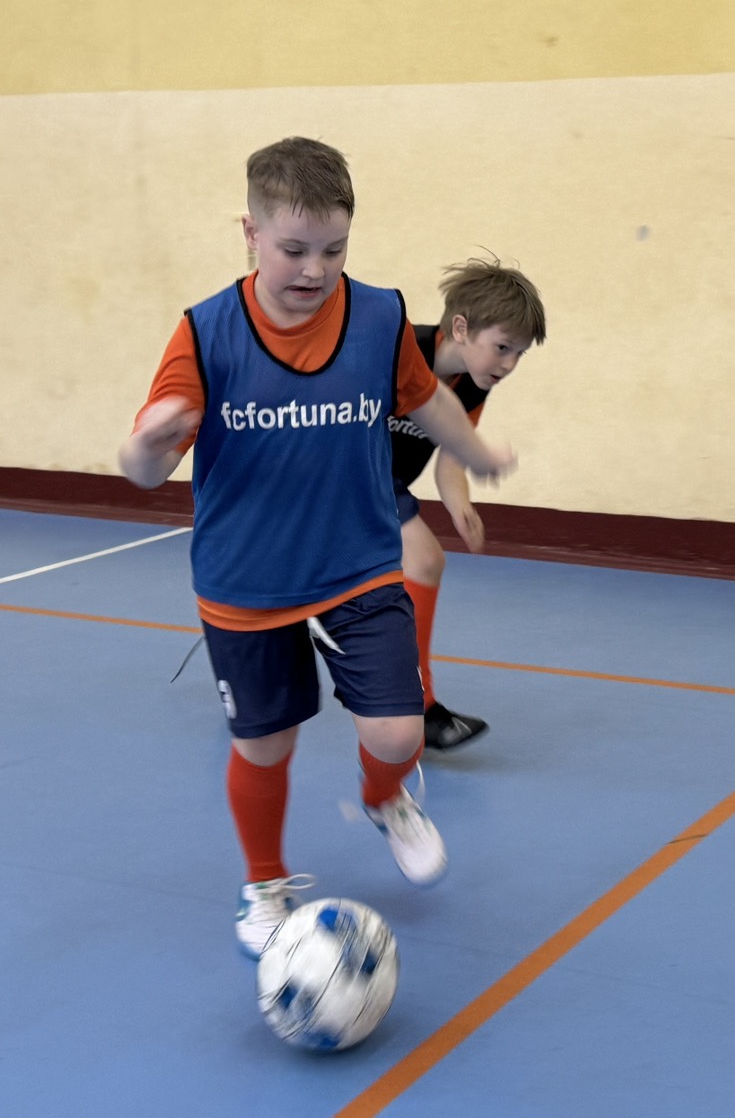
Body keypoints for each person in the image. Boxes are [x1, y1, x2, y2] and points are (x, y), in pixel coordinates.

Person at [116, 136, 516, 958]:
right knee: (267, 744)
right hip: (246, 578)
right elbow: (143, 469)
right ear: (251, 234)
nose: (315, 269)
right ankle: (263, 880)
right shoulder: (206, 333)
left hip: (355, 562)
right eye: (294, 249)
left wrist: (473, 453)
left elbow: (427, 399)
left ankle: (385, 798)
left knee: (398, 734)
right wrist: (148, 443)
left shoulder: (377, 318)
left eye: (334, 249)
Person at [391, 257, 546, 751]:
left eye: (519, 354)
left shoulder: (472, 385)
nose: (509, 365)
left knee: (414, 566)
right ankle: (417, 706)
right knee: (424, 559)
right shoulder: (398, 350)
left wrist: (460, 505)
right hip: (341, 472)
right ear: (460, 328)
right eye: (503, 348)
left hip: (384, 485)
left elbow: (452, 459)